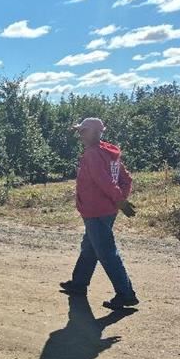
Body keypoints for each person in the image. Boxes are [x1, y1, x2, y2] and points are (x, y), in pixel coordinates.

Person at [59, 117, 139, 310]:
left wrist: (119, 199)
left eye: (83, 131)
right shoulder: (109, 153)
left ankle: (126, 295)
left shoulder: (93, 154)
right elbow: (125, 179)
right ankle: (78, 284)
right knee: (90, 248)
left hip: (96, 211)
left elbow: (103, 180)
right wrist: (119, 200)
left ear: (94, 133)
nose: (80, 135)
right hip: (106, 210)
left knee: (107, 253)